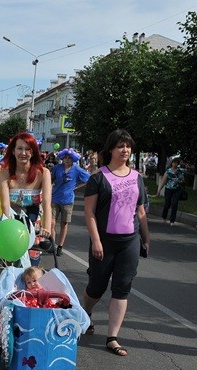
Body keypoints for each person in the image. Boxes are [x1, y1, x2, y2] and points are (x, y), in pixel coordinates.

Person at [81, 129, 150, 357]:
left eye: (128, 146)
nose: (125, 150)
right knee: (97, 287)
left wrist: (146, 238)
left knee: (122, 288)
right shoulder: (98, 178)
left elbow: (140, 211)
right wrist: (96, 241)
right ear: (110, 149)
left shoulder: (137, 177)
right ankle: (85, 312)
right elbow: (89, 212)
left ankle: (112, 337)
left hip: (129, 242)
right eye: (120, 146)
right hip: (104, 242)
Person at [0, 132, 53, 265]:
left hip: (33, 228)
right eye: (19, 148)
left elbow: (47, 203)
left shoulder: (43, 173)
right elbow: (5, 205)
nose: (23, 153)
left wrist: (47, 228)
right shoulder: (4, 173)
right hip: (10, 226)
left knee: (31, 269)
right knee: (7, 268)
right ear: (13, 151)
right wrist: (8, 230)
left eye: (28, 149)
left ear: (33, 152)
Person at [50, 148, 90, 256]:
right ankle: (52, 245)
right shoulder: (57, 168)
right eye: (65, 157)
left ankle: (60, 247)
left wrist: (76, 186)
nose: (67, 160)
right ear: (62, 158)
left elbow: (88, 178)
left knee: (64, 224)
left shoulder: (76, 169)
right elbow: (51, 180)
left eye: (70, 158)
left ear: (73, 159)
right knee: (52, 223)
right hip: (55, 199)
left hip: (67, 201)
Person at [156, 157, 186, 225]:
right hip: (168, 189)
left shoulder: (180, 171)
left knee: (174, 204)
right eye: (173, 163)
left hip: (177, 190)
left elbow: (183, 180)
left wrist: (179, 181)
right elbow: (163, 181)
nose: (174, 164)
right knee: (167, 204)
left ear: (178, 164)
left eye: (176, 163)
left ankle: (172, 220)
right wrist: (159, 190)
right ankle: (164, 217)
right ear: (171, 163)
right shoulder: (168, 171)